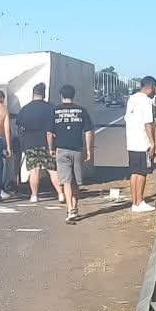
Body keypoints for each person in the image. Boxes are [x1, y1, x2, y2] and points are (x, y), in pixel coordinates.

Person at [48, 84, 95, 224]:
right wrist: (89, 150)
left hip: (61, 149)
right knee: (76, 181)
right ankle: (74, 206)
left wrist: (51, 148)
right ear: (73, 96)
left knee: (66, 181)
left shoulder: (55, 111)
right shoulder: (81, 110)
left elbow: (49, 132)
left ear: (61, 96)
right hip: (77, 149)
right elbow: (88, 131)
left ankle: (70, 209)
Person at [16, 82, 60, 204]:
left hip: (30, 143)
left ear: (33, 93)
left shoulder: (25, 109)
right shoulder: (51, 108)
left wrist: (22, 143)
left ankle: (34, 195)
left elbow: (19, 128)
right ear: (44, 94)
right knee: (52, 170)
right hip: (47, 143)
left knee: (34, 171)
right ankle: (61, 194)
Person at [123, 76, 156, 214]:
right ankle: (140, 201)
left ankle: (135, 202)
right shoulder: (146, 101)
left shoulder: (132, 99)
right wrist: (152, 142)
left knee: (134, 172)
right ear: (151, 87)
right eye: (154, 87)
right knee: (142, 172)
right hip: (143, 142)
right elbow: (148, 123)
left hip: (131, 142)